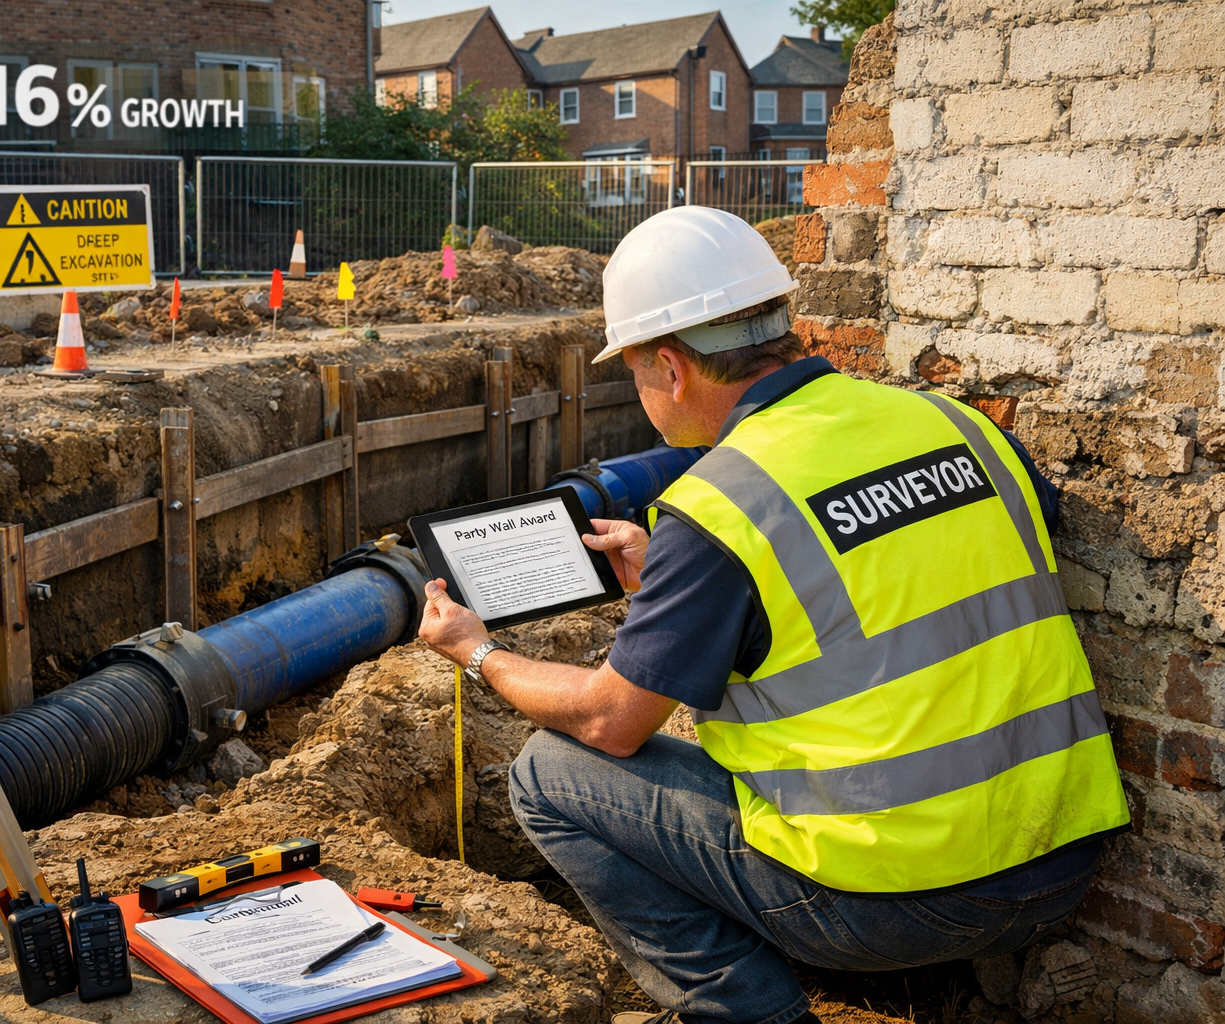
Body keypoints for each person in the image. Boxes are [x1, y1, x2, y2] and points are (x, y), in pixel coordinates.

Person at [418, 207, 1130, 1024]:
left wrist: (477, 652)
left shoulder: (723, 506)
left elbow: (611, 722)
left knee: (549, 774)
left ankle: (749, 1012)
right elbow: (906, 567)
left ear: (671, 368)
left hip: (891, 905)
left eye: (636, 375)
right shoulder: (955, 422)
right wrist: (694, 581)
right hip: (1066, 863)